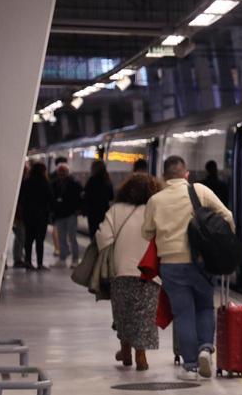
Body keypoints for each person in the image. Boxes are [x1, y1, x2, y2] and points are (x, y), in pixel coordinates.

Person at [142, 156, 234, 380]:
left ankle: (191, 366)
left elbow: (146, 232)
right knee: (204, 307)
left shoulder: (155, 200)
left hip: (171, 265)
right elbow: (227, 216)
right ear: (186, 174)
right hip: (201, 262)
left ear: (164, 176)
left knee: (183, 313)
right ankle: (205, 349)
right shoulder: (200, 191)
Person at [97, 173, 161, 371]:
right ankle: (141, 355)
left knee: (123, 313)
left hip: (121, 271)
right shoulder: (155, 210)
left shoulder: (116, 210)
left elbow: (103, 237)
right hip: (149, 272)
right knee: (144, 314)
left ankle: (125, 352)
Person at [17, 162, 52, 271]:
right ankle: (40, 264)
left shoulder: (26, 182)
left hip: (28, 215)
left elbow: (20, 198)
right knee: (39, 240)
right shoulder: (45, 182)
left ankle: (28, 262)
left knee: (29, 239)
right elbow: (50, 198)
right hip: (41, 216)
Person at [51, 160, 83, 267]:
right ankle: (62, 258)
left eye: (63, 172)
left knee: (72, 237)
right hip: (60, 215)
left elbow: (80, 197)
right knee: (61, 238)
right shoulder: (55, 184)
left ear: (67, 172)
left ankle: (75, 259)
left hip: (70, 214)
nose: (61, 174)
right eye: (60, 172)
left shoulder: (74, 183)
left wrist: (78, 209)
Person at [81, 160, 114, 242]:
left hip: (93, 213)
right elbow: (111, 196)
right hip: (104, 211)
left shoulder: (92, 180)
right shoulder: (107, 180)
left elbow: (86, 195)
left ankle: (95, 252)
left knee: (94, 235)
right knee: (102, 235)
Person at [11, 163, 28, 268]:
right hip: (18, 216)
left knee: (20, 237)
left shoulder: (19, 183)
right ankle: (18, 258)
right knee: (20, 237)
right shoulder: (20, 184)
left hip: (18, 215)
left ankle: (19, 257)